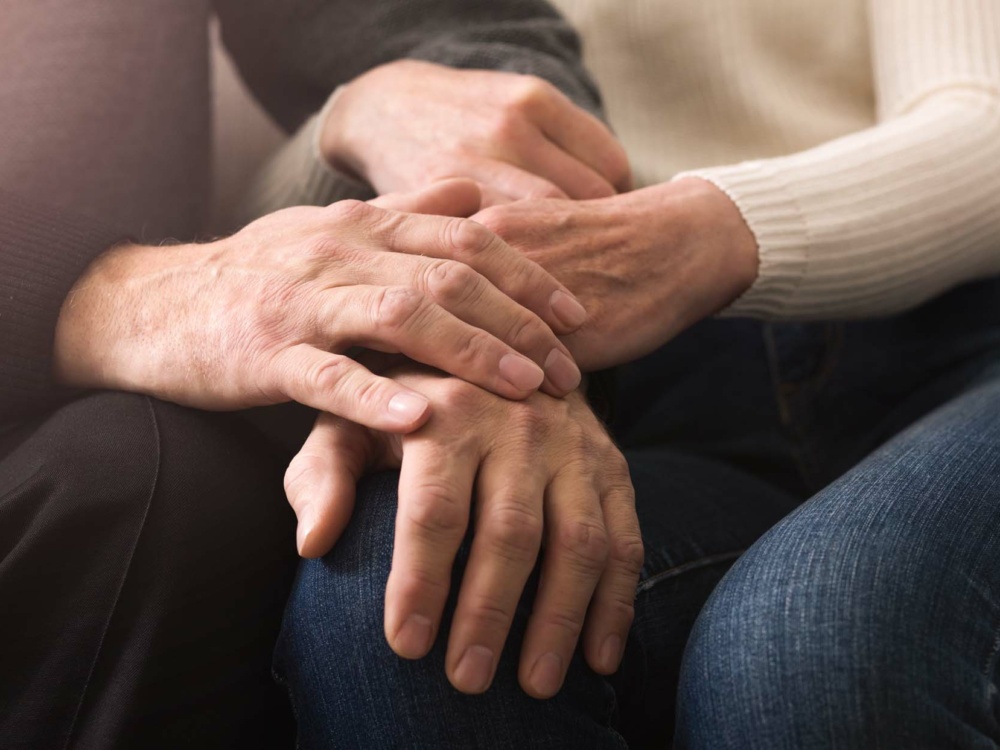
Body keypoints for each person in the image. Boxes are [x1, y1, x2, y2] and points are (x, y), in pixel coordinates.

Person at [263, 0, 1000, 748]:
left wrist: (695, 239)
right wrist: (345, 127)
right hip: (639, 395)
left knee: (818, 640)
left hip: (958, 338)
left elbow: (987, 118)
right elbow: (222, 228)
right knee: (409, 585)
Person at [0, 2, 638, 748]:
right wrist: (116, 297)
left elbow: (450, 47)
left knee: (150, 484)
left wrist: (476, 323)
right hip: (107, 384)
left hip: (140, 441)